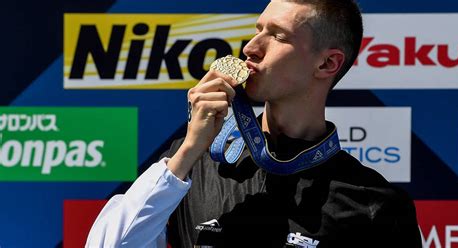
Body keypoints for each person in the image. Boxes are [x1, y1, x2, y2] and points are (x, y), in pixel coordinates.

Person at [87, 0, 422, 247]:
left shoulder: (375, 203)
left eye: (276, 35)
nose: (250, 47)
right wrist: (189, 149)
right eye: (257, 29)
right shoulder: (192, 165)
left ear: (327, 63)